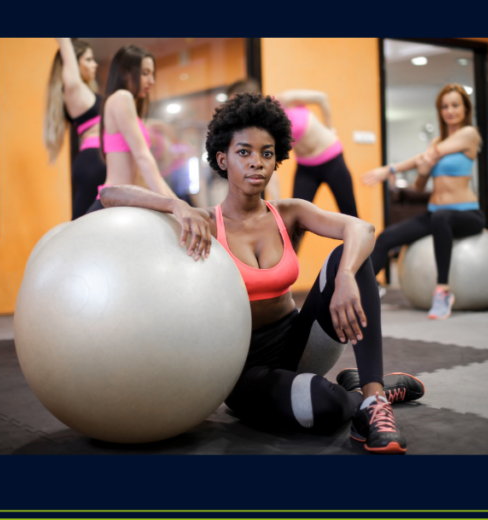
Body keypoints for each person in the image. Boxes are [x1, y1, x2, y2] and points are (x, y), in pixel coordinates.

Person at [100, 93, 424, 454]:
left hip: (302, 345)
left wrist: (346, 275)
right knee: (325, 406)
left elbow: (361, 229)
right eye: (244, 152)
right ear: (223, 158)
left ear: (277, 159)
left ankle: (375, 399)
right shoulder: (204, 221)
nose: (257, 163)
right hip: (244, 368)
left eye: (266, 153)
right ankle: (358, 389)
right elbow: (109, 195)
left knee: (351, 255)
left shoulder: (288, 213)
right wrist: (173, 204)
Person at [361, 84, 485, 320]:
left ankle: (443, 292)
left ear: (465, 108)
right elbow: (419, 185)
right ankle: (366, 290)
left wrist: (390, 168)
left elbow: (429, 156)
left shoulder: (470, 134)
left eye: (455, 105)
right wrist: (424, 171)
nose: (449, 110)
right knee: (386, 238)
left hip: (466, 214)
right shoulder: (437, 141)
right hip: (436, 214)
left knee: (441, 217)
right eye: (444, 106)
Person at [227, 79, 358, 217]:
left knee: (349, 213)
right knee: (294, 219)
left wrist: (331, 128)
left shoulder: (283, 100)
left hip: (332, 158)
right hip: (306, 167)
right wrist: (275, 205)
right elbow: (269, 167)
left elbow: (322, 98)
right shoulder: (262, 129)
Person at [86, 45, 178, 213]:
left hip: (124, 203)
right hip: (114, 203)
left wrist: (177, 204)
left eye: (152, 74)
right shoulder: (122, 97)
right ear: (125, 73)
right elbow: (143, 158)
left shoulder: (124, 105)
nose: (152, 81)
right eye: (145, 73)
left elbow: (146, 166)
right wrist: (176, 206)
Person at [44, 38, 106, 219]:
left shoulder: (85, 93)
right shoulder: (74, 90)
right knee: (83, 226)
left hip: (97, 160)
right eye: (88, 59)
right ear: (73, 63)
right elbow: (64, 44)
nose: (95, 64)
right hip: (94, 162)